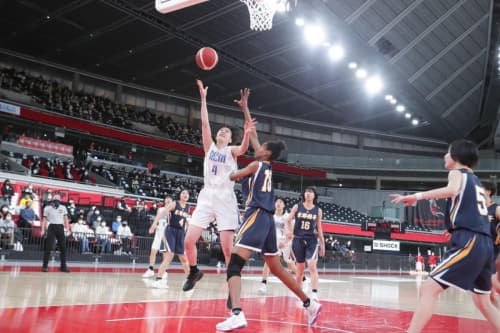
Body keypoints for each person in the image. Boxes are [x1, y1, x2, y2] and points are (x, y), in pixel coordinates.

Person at [390, 139, 500, 333]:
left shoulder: (457, 173)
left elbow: (451, 190)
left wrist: (416, 196)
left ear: (456, 156)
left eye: (447, 152)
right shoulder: (476, 182)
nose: (444, 156)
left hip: (470, 240)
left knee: (428, 288)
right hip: (485, 243)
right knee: (483, 301)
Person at [216, 137, 322, 331]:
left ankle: (237, 313)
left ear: (265, 153)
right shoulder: (266, 166)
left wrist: (224, 166)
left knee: (234, 265)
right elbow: (256, 143)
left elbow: (233, 176)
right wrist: (247, 114)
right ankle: (310, 304)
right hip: (268, 221)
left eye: (262, 147)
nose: (258, 148)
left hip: (256, 216)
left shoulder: (255, 165)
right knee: (277, 269)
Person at [182, 80, 253, 291]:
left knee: (227, 249)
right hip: (207, 197)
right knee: (188, 242)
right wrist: (203, 99)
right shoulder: (209, 147)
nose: (222, 131)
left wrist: (247, 132)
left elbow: (243, 148)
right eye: (220, 130)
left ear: (230, 138)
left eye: (226, 131)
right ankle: (194, 272)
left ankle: (233, 289)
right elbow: (204, 124)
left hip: (225, 199)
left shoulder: (231, 151)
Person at [286, 187, 325, 301]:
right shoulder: (297, 206)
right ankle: (299, 291)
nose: (308, 194)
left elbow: (319, 227)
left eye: (310, 192)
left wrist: (322, 244)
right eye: (306, 192)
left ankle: (314, 292)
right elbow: (288, 220)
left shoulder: (318, 210)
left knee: (312, 265)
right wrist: (289, 232)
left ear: (314, 196)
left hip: (311, 240)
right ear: (304, 195)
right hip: (298, 239)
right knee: (300, 269)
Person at [150, 189, 191, 289]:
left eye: (187, 194)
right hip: (171, 231)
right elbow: (162, 213)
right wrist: (154, 224)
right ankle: (158, 280)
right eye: (183, 193)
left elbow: (186, 221)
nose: (185, 195)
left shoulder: (188, 207)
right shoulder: (174, 204)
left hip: (181, 232)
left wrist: (189, 233)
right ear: (179, 195)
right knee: (169, 256)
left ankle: (189, 280)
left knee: (183, 258)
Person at [258, 197, 297, 294]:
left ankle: (303, 279)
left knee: (291, 265)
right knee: (268, 262)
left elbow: (292, 232)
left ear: (284, 205)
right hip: (273, 241)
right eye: (277, 202)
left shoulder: (288, 217)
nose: (278, 203)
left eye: (280, 202)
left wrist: (286, 242)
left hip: (285, 242)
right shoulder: (270, 215)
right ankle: (263, 284)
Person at [143, 195, 174, 278]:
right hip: (159, 232)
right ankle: (150, 269)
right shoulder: (160, 209)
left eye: (170, 199)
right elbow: (157, 219)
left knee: (165, 254)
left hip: (167, 234)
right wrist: (154, 226)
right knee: (153, 251)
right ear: (164, 200)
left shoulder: (173, 212)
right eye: (166, 199)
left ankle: (164, 271)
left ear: (172, 202)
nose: (168, 200)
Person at [41, 194, 70, 272]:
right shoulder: (47, 208)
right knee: (48, 247)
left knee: (63, 248)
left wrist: (67, 228)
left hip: (60, 227)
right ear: (53, 199)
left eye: (58, 198)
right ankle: (45, 266)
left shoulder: (63, 208)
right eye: (55, 198)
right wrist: (42, 230)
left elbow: (66, 219)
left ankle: (63, 267)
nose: (57, 200)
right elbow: (44, 220)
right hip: (52, 227)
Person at [482, 182, 500, 307]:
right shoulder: (477, 210)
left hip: (494, 249)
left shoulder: (496, 208)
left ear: (488, 191)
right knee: (491, 293)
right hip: (481, 249)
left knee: (493, 281)